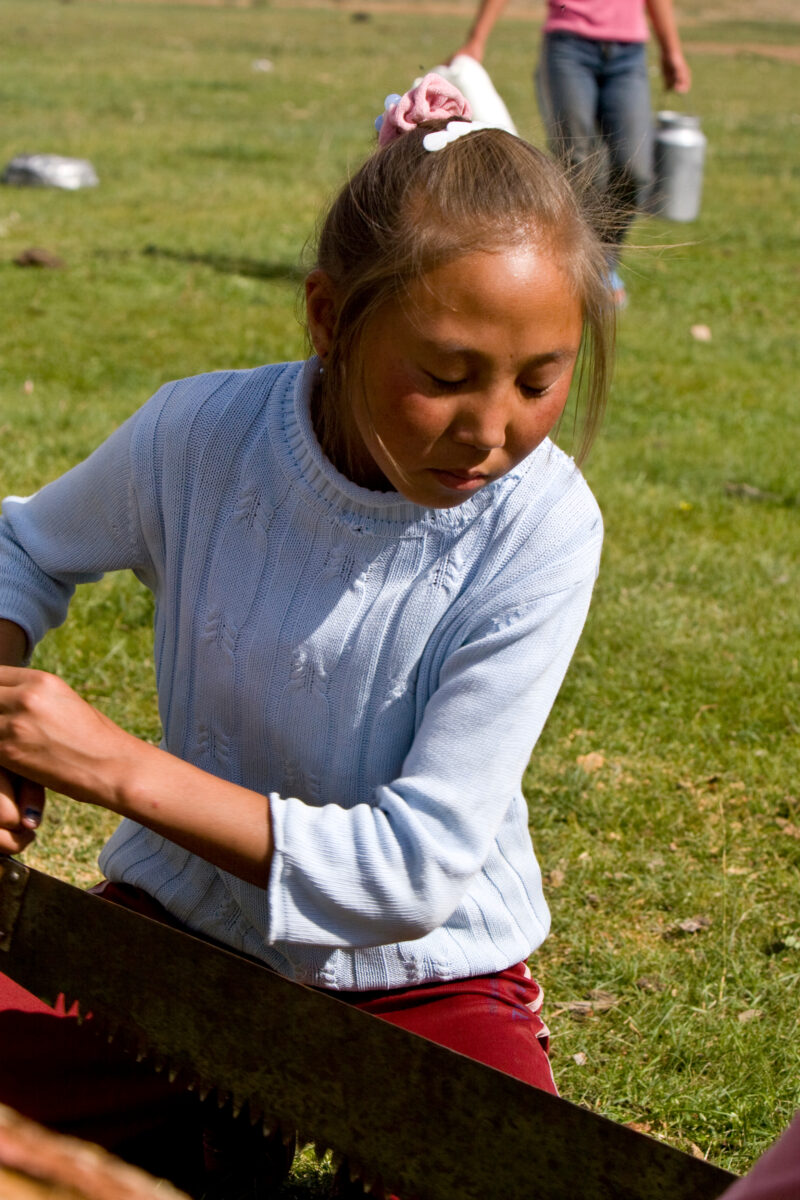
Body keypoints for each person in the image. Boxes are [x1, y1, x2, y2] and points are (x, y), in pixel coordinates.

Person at [0, 75, 614, 1199]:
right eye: (443, 377)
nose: (490, 431)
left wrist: (108, 766)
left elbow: (412, 874)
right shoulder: (200, 433)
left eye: (540, 381)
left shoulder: (542, 525)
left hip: (427, 980)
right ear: (329, 317)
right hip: (177, 934)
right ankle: (200, 1124)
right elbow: (23, 548)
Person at [451, 0, 692, 306]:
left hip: (629, 53)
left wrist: (671, 50)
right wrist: (476, 39)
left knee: (635, 168)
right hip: (569, 47)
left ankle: (602, 262)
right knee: (578, 163)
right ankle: (575, 270)